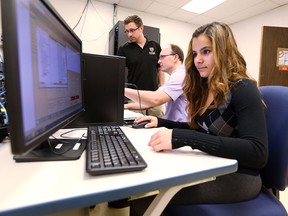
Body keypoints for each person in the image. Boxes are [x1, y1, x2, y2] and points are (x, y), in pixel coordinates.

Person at [129, 22, 268, 215]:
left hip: (239, 176)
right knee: (146, 186)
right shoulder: (206, 87)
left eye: (206, 52)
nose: (198, 60)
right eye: (195, 54)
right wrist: (162, 123)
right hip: (211, 165)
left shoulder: (243, 88)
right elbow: (200, 129)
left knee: (144, 202)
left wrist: (182, 138)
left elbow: (257, 153)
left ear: (223, 51)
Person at [124, 44, 188, 122]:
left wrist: (120, 89)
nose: (158, 61)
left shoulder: (180, 75)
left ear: (175, 57)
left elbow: (155, 99)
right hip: (174, 125)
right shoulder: (177, 75)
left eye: (162, 57)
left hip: (180, 128)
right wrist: (126, 106)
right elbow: (149, 103)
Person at [117, 15, 165, 118]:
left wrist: (162, 87)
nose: (129, 34)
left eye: (132, 30)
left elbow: (160, 68)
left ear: (141, 28)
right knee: (135, 130)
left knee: (158, 128)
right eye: (127, 31)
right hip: (135, 99)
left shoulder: (155, 46)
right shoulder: (124, 49)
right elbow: (117, 72)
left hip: (154, 97)